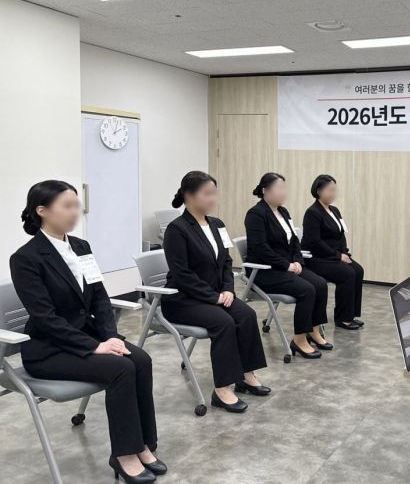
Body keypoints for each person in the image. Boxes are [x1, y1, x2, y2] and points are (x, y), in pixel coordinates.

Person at [9, 181, 165, 484]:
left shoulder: (81, 247)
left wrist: (110, 336)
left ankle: (143, 445)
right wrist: (94, 347)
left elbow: (100, 299)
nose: (74, 212)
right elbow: (45, 318)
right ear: (42, 211)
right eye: (66, 206)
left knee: (141, 359)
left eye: (76, 205)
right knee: (121, 368)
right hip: (48, 350)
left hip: (87, 337)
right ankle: (124, 455)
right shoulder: (26, 258)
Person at [161, 171, 270, 414]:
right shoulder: (177, 229)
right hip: (182, 299)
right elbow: (182, 274)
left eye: (214, 193)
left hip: (216, 294)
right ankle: (222, 389)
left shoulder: (217, 224)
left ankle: (246, 376)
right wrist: (214, 297)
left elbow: (227, 262)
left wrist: (227, 289)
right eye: (207, 194)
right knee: (224, 322)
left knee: (246, 315)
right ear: (189, 196)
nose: (213, 198)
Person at [244, 172, 330, 359]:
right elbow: (261, 249)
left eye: (284, 188)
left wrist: (297, 261)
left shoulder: (283, 212)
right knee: (307, 289)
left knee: (320, 284)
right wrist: (287, 265)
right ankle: (299, 339)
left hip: (287, 267)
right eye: (279, 188)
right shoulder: (256, 214)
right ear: (265, 190)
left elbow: (294, 242)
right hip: (265, 271)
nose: (283, 192)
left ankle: (314, 331)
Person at [301, 174, 365, 330]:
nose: (333, 193)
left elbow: (341, 235)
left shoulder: (334, 210)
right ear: (319, 191)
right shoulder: (312, 213)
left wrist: (345, 253)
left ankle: (351, 314)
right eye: (330, 190)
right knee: (347, 273)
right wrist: (338, 256)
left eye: (334, 190)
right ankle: (343, 319)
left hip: (333, 256)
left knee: (358, 270)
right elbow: (315, 242)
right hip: (316, 258)